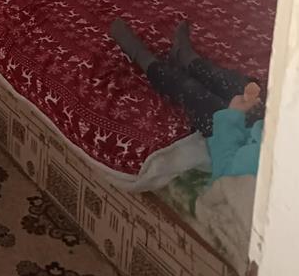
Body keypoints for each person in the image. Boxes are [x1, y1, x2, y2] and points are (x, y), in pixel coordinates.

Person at [110, 18, 264, 180]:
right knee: (230, 81)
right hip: (263, 125)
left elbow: (225, 168)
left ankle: (142, 57)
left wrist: (231, 117)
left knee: (192, 91)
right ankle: (186, 57)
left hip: (238, 141)